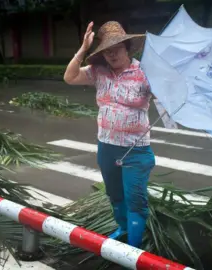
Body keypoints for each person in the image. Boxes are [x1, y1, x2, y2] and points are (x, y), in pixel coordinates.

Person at [63, 21, 156, 249]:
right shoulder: (99, 72)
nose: (112, 54)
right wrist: (83, 49)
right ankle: (123, 229)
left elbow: (167, 98)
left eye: (116, 48)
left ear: (127, 47)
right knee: (115, 196)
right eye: (107, 50)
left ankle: (133, 250)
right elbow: (70, 77)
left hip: (136, 150)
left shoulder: (145, 73)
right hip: (107, 147)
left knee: (135, 201)